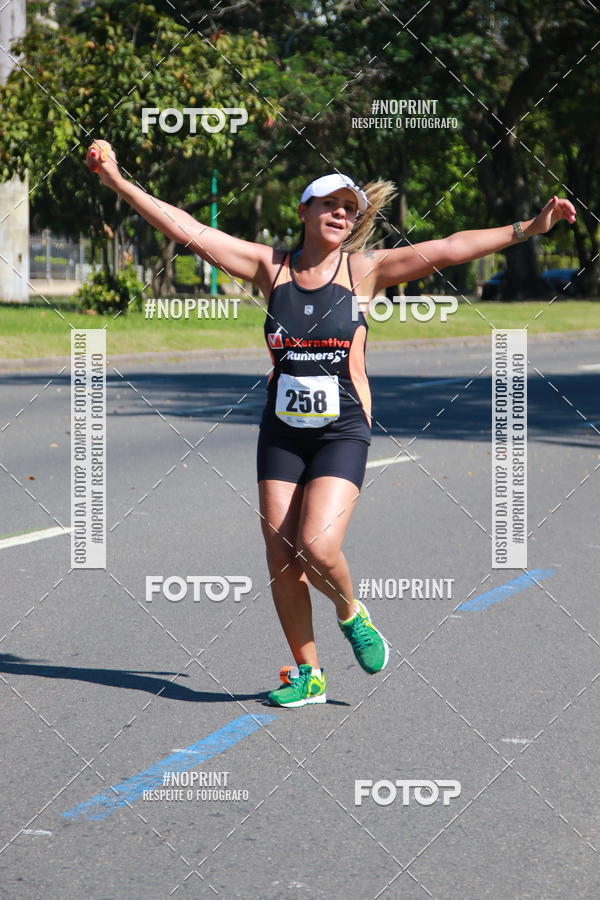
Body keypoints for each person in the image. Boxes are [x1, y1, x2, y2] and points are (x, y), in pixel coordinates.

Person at [85, 142, 576, 708]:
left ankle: (351, 612)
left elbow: (451, 247)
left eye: (350, 206)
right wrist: (120, 182)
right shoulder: (271, 267)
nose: (341, 213)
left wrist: (529, 227)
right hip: (283, 432)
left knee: (316, 545)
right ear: (304, 211)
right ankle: (308, 674)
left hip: (342, 429)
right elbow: (188, 228)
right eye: (329, 203)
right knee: (279, 551)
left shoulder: (366, 271)